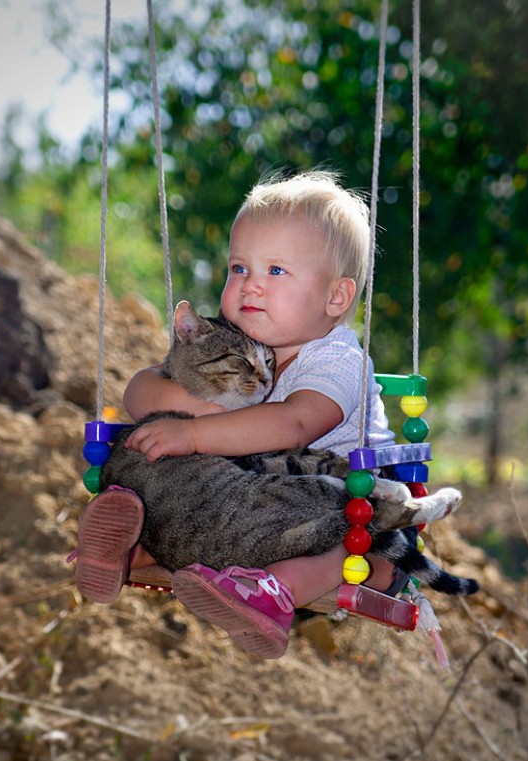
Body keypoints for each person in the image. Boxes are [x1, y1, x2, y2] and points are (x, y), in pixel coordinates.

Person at [76, 170, 416, 658]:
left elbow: (293, 424)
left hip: (349, 505)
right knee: (174, 484)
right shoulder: (241, 343)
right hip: (253, 506)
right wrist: (192, 411)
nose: (250, 287)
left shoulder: (338, 360)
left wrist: (194, 435)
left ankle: (268, 598)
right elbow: (143, 387)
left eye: (275, 271)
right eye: (239, 269)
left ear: (335, 297)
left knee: (340, 545)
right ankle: (128, 545)